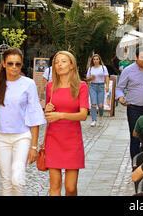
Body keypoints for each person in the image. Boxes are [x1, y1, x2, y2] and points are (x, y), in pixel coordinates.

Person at [0, 47, 46, 196]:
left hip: (22, 136)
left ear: (21, 65)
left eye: (17, 64)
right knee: (6, 181)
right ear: (3, 64)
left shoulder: (28, 84)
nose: (14, 67)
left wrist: (34, 146)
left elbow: (34, 114)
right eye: (10, 63)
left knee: (17, 178)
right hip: (1, 137)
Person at [44, 51, 89, 196]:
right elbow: (48, 115)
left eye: (63, 61)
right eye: (57, 62)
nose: (59, 65)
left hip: (72, 139)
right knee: (55, 186)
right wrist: (48, 110)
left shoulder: (81, 86)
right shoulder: (50, 86)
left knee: (70, 188)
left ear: (71, 65)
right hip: (53, 138)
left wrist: (61, 115)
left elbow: (83, 115)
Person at [85, 54, 110, 127]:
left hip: (101, 86)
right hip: (92, 86)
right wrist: (90, 78)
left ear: (99, 60)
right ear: (92, 60)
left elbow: (107, 77)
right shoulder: (90, 68)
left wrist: (107, 86)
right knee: (93, 103)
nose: (95, 61)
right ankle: (94, 120)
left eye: (97, 59)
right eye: (94, 59)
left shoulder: (103, 67)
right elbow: (87, 79)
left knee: (100, 105)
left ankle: (101, 115)